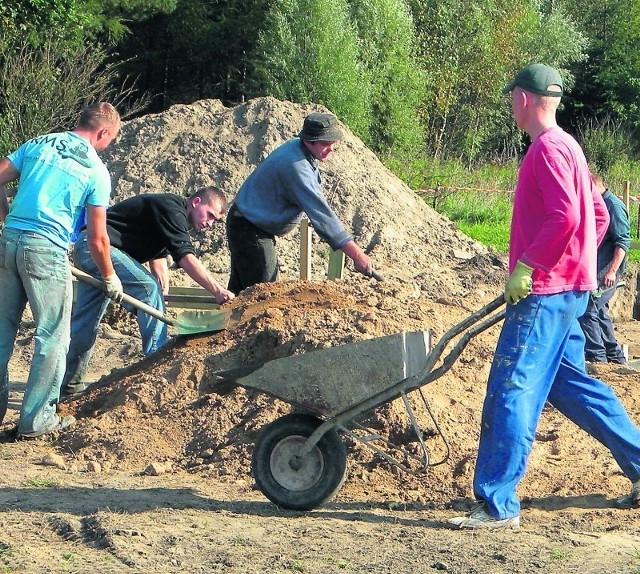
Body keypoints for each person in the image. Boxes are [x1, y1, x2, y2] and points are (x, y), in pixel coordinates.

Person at [449, 64, 640, 530]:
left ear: (524, 99)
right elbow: (595, 215)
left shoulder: (547, 149)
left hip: (544, 296)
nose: (511, 102)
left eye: (512, 96)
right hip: (568, 292)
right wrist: (576, 265)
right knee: (573, 387)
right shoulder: (569, 145)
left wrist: (532, 266)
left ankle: (497, 504)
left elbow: (566, 219)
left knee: (511, 390)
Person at [0, 102, 123, 437]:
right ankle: (36, 421)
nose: (106, 146)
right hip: (46, 250)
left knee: (1, 332)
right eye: (109, 140)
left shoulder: (38, 144)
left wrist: (5, 216)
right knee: (53, 336)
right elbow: (98, 239)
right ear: (103, 132)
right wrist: (110, 277)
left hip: (8, 242)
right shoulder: (96, 170)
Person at [62, 186, 236, 396]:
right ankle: (158, 360)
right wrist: (217, 291)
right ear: (196, 201)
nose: (209, 223)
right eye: (210, 215)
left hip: (88, 247)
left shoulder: (169, 214)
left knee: (87, 320)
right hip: (99, 248)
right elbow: (185, 258)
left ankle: (70, 384)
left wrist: (162, 286)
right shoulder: (173, 207)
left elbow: (159, 256)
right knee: (147, 288)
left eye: (215, 220)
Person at [226, 112, 372, 294]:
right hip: (250, 229)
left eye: (333, 143)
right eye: (326, 143)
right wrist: (357, 255)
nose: (331, 148)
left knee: (239, 295)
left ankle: (226, 322)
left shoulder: (299, 149)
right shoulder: (296, 166)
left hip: (247, 223)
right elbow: (322, 215)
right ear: (309, 141)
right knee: (262, 297)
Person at [578, 173, 630, 364]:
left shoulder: (614, 206)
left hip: (607, 269)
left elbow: (623, 242)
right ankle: (615, 357)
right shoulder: (598, 204)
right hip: (598, 267)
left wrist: (612, 271)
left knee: (589, 306)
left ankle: (597, 356)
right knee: (598, 311)